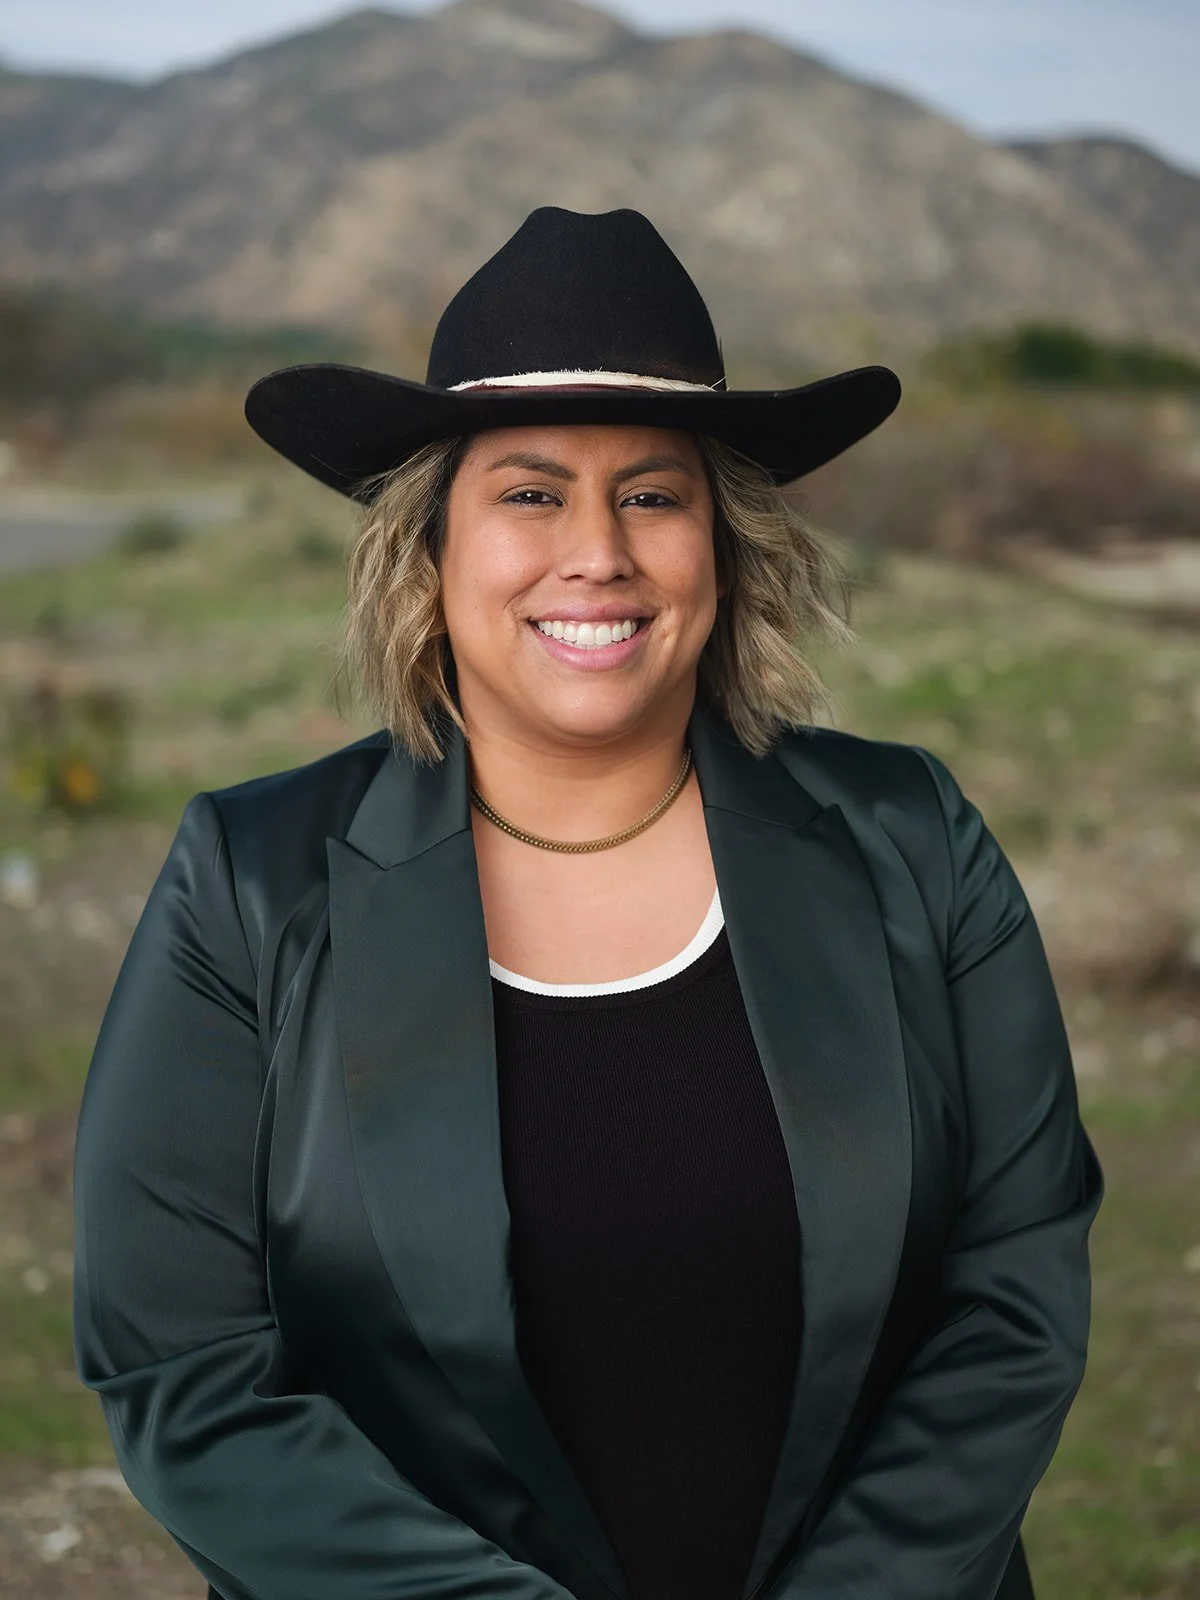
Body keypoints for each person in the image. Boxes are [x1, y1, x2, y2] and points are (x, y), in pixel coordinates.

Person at [72, 206, 1102, 1600]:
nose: (599, 553)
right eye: (532, 492)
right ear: (429, 550)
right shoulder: (249, 885)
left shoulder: (912, 841)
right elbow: (182, 1369)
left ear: (721, 547)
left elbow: (1014, 1290)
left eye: (655, 494)